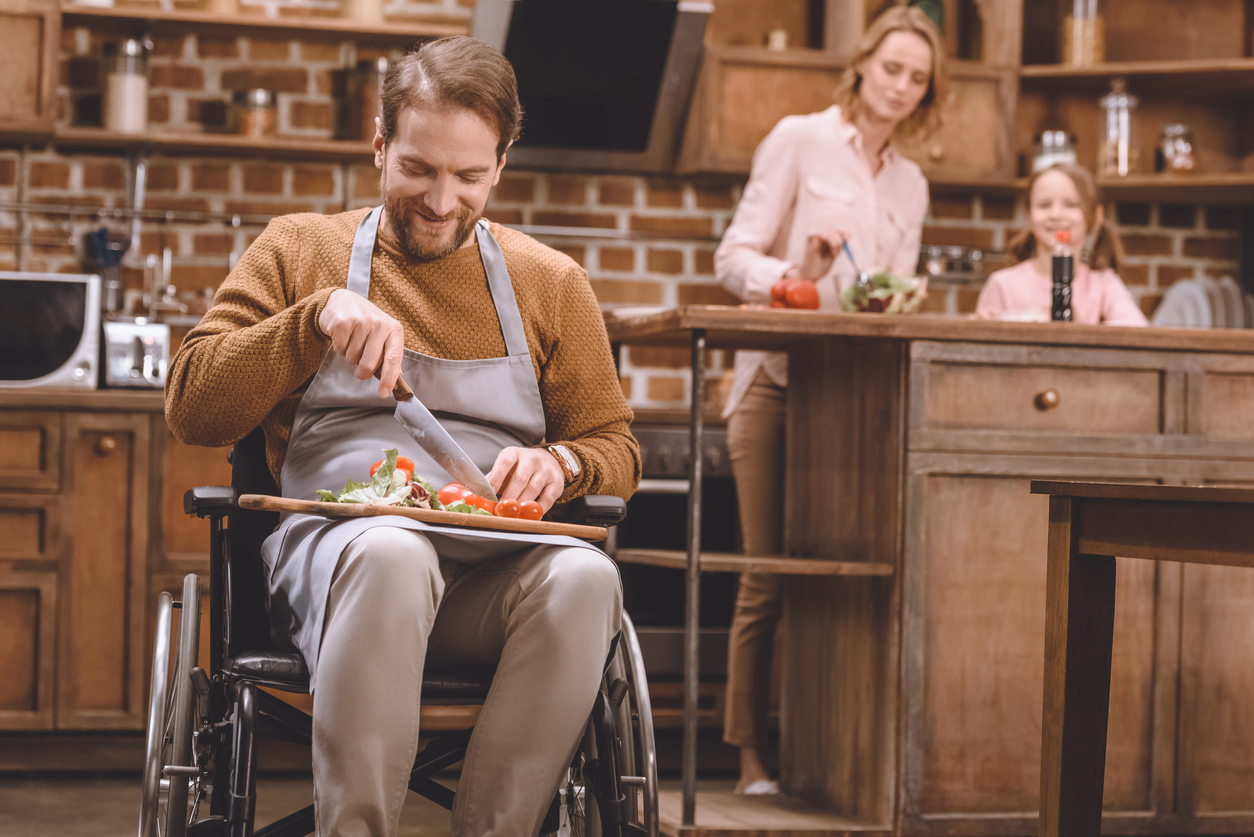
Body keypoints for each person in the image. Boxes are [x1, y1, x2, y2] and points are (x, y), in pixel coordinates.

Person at [165, 36, 640, 837]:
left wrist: (562, 460)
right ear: (379, 143)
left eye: (468, 176)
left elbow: (614, 444)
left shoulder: (550, 283)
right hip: (341, 562)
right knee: (394, 549)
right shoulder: (300, 248)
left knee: (587, 578)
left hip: (490, 576)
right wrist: (311, 320)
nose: (442, 200)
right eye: (418, 168)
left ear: (501, 165)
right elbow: (193, 406)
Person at [713, 5, 946, 795]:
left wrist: (897, 299)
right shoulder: (798, 139)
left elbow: (886, 297)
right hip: (775, 382)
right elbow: (732, 255)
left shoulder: (911, 184)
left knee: (846, 576)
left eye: (918, 78)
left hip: (855, 401)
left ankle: (831, 756)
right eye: (892, 69)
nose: (902, 87)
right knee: (769, 574)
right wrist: (792, 275)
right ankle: (749, 755)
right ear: (863, 63)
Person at [975, 163, 1148, 326]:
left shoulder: (1104, 284)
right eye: (1044, 205)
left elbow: (1137, 330)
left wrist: (1080, 330)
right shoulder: (1002, 285)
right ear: (1029, 216)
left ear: (1096, 217)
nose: (1056, 214)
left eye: (1071, 204)